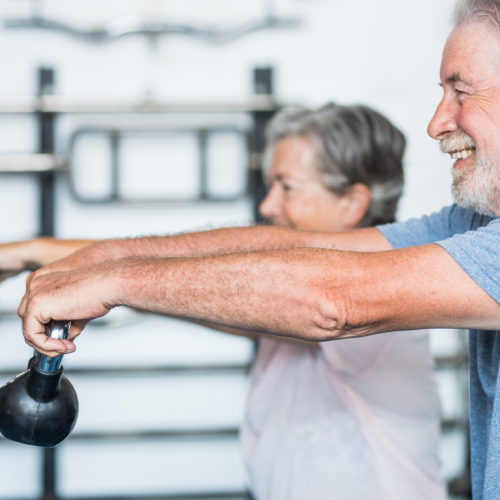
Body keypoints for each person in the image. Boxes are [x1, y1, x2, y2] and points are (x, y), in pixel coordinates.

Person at [7, 0, 500, 498]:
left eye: (461, 92)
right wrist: (59, 259)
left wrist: (110, 281)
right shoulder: (473, 225)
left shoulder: (372, 293)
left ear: (353, 201)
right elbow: (269, 249)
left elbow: (325, 301)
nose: (437, 122)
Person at [0, 104, 446, 499]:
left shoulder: (371, 298)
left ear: (352, 203)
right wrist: (31, 253)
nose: (269, 205)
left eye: (287, 187)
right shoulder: (286, 297)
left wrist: (75, 270)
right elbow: (192, 272)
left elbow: (214, 282)